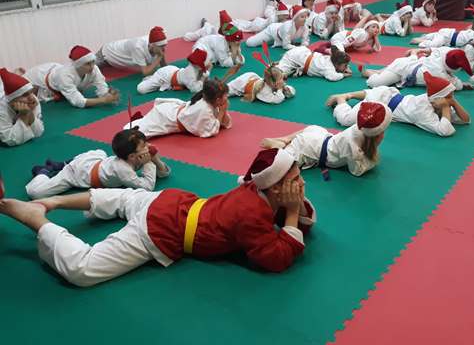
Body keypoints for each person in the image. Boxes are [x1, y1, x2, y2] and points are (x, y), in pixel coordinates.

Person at [0, 148, 316, 286]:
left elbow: (303, 223)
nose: (301, 184)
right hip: (165, 228)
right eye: (295, 180)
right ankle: (36, 217)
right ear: (275, 188)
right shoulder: (252, 213)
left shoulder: (258, 189)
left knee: (124, 199)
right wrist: (291, 212)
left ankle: (53, 201)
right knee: (84, 269)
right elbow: (275, 259)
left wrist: (292, 206)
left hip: (173, 201)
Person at [26, 129, 170, 199]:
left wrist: (155, 159)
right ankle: (44, 171)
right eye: (144, 146)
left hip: (94, 159)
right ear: (132, 156)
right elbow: (147, 187)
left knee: (100, 152)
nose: (148, 147)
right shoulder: (123, 169)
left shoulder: (135, 156)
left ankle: (59, 165)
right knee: (35, 193)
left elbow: (163, 173)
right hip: (77, 174)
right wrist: (148, 163)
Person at [262, 102, 392, 177]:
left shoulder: (359, 127)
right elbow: (356, 171)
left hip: (321, 137)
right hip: (310, 149)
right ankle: (278, 147)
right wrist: (371, 162)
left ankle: (286, 139)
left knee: (311, 129)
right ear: (377, 136)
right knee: (284, 166)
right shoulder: (354, 148)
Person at [327, 71, 471, 137]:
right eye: (448, 97)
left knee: (374, 92)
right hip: (380, 103)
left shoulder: (436, 101)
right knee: (345, 120)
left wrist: (453, 102)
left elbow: (465, 120)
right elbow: (445, 131)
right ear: (436, 99)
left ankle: (349, 94)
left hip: (388, 94)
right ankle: (342, 99)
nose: (450, 99)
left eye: (451, 96)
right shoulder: (422, 111)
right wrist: (446, 106)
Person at [128, 78, 232, 138]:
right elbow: (212, 130)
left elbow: (225, 124)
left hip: (172, 111)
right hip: (167, 118)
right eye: (225, 95)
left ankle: (142, 119)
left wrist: (223, 110)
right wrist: (222, 112)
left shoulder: (211, 102)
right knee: (137, 134)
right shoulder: (204, 109)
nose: (227, 97)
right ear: (217, 99)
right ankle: (138, 121)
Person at [25, 46, 119, 108]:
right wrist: (103, 100)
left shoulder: (94, 68)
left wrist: (107, 94)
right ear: (78, 65)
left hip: (55, 71)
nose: (91, 66)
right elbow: (78, 102)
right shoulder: (64, 75)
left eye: (93, 62)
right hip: (39, 77)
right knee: (27, 97)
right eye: (87, 64)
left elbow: (101, 85)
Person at [361, 48, 474, 90]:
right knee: (376, 84)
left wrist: (421, 50)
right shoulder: (441, 75)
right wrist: (463, 84)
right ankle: (369, 73)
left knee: (408, 62)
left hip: (414, 64)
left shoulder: (443, 53)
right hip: (403, 69)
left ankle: (413, 53)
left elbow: (435, 49)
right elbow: (457, 85)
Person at [97, 26, 168, 76]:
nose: (163, 48)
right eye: (161, 46)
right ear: (152, 45)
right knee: (92, 69)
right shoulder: (138, 47)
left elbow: (164, 67)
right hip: (107, 54)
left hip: (116, 61)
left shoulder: (154, 42)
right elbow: (145, 73)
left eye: (164, 45)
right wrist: (159, 57)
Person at [0, 68, 44, 147]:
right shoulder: (2, 108)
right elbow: (9, 140)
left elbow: (38, 132)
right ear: (12, 100)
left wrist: (30, 113)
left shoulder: (32, 99)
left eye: (31, 92)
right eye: (25, 95)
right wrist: (24, 116)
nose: (31, 97)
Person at [137, 49, 211, 94]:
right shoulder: (191, 73)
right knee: (141, 89)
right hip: (165, 76)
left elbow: (204, 75)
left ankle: (153, 78)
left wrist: (205, 75)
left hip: (173, 71)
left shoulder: (196, 67)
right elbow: (195, 89)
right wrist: (202, 79)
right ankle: (152, 78)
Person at [246, 5, 310, 49]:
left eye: (305, 17)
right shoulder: (288, 27)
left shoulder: (305, 27)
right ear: (295, 18)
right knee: (250, 43)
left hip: (282, 33)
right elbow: (286, 45)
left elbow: (305, 41)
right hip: (272, 31)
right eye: (302, 17)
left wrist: (304, 45)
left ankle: (273, 41)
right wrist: (298, 48)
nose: (305, 19)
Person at [276, 45, 352, 82]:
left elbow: (338, 68)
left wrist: (344, 68)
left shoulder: (330, 59)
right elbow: (332, 77)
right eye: (345, 65)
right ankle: (278, 64)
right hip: (295, 56)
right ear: (337, 64)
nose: (346, 67)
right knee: (278, 74)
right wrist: (343, 75)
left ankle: (281, 61)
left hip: (303, 52)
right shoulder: (328, 67)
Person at [227, 65, 296, 104]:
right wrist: (280, 89)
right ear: (274, 82)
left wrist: (285, 89)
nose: (283, 80)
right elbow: (277, 100)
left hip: (252, 77)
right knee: (223, 92)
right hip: (241, 84)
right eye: (281, 78)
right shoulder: (263, 90)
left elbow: (292, 92)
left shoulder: (273, 84)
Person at [310, 20, 382, 54]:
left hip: (346, 43)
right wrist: (342, 47)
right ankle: (321, 50)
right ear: (367, 28)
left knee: (342, 49)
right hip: (340, 38)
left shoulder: (370, 39)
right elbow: (350, 39)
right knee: (340, 53)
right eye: (373, 27)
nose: (376, 29)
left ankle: (330, 45)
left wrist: (376, 37)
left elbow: (377, 49)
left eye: (377, 28)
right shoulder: (362, 32)